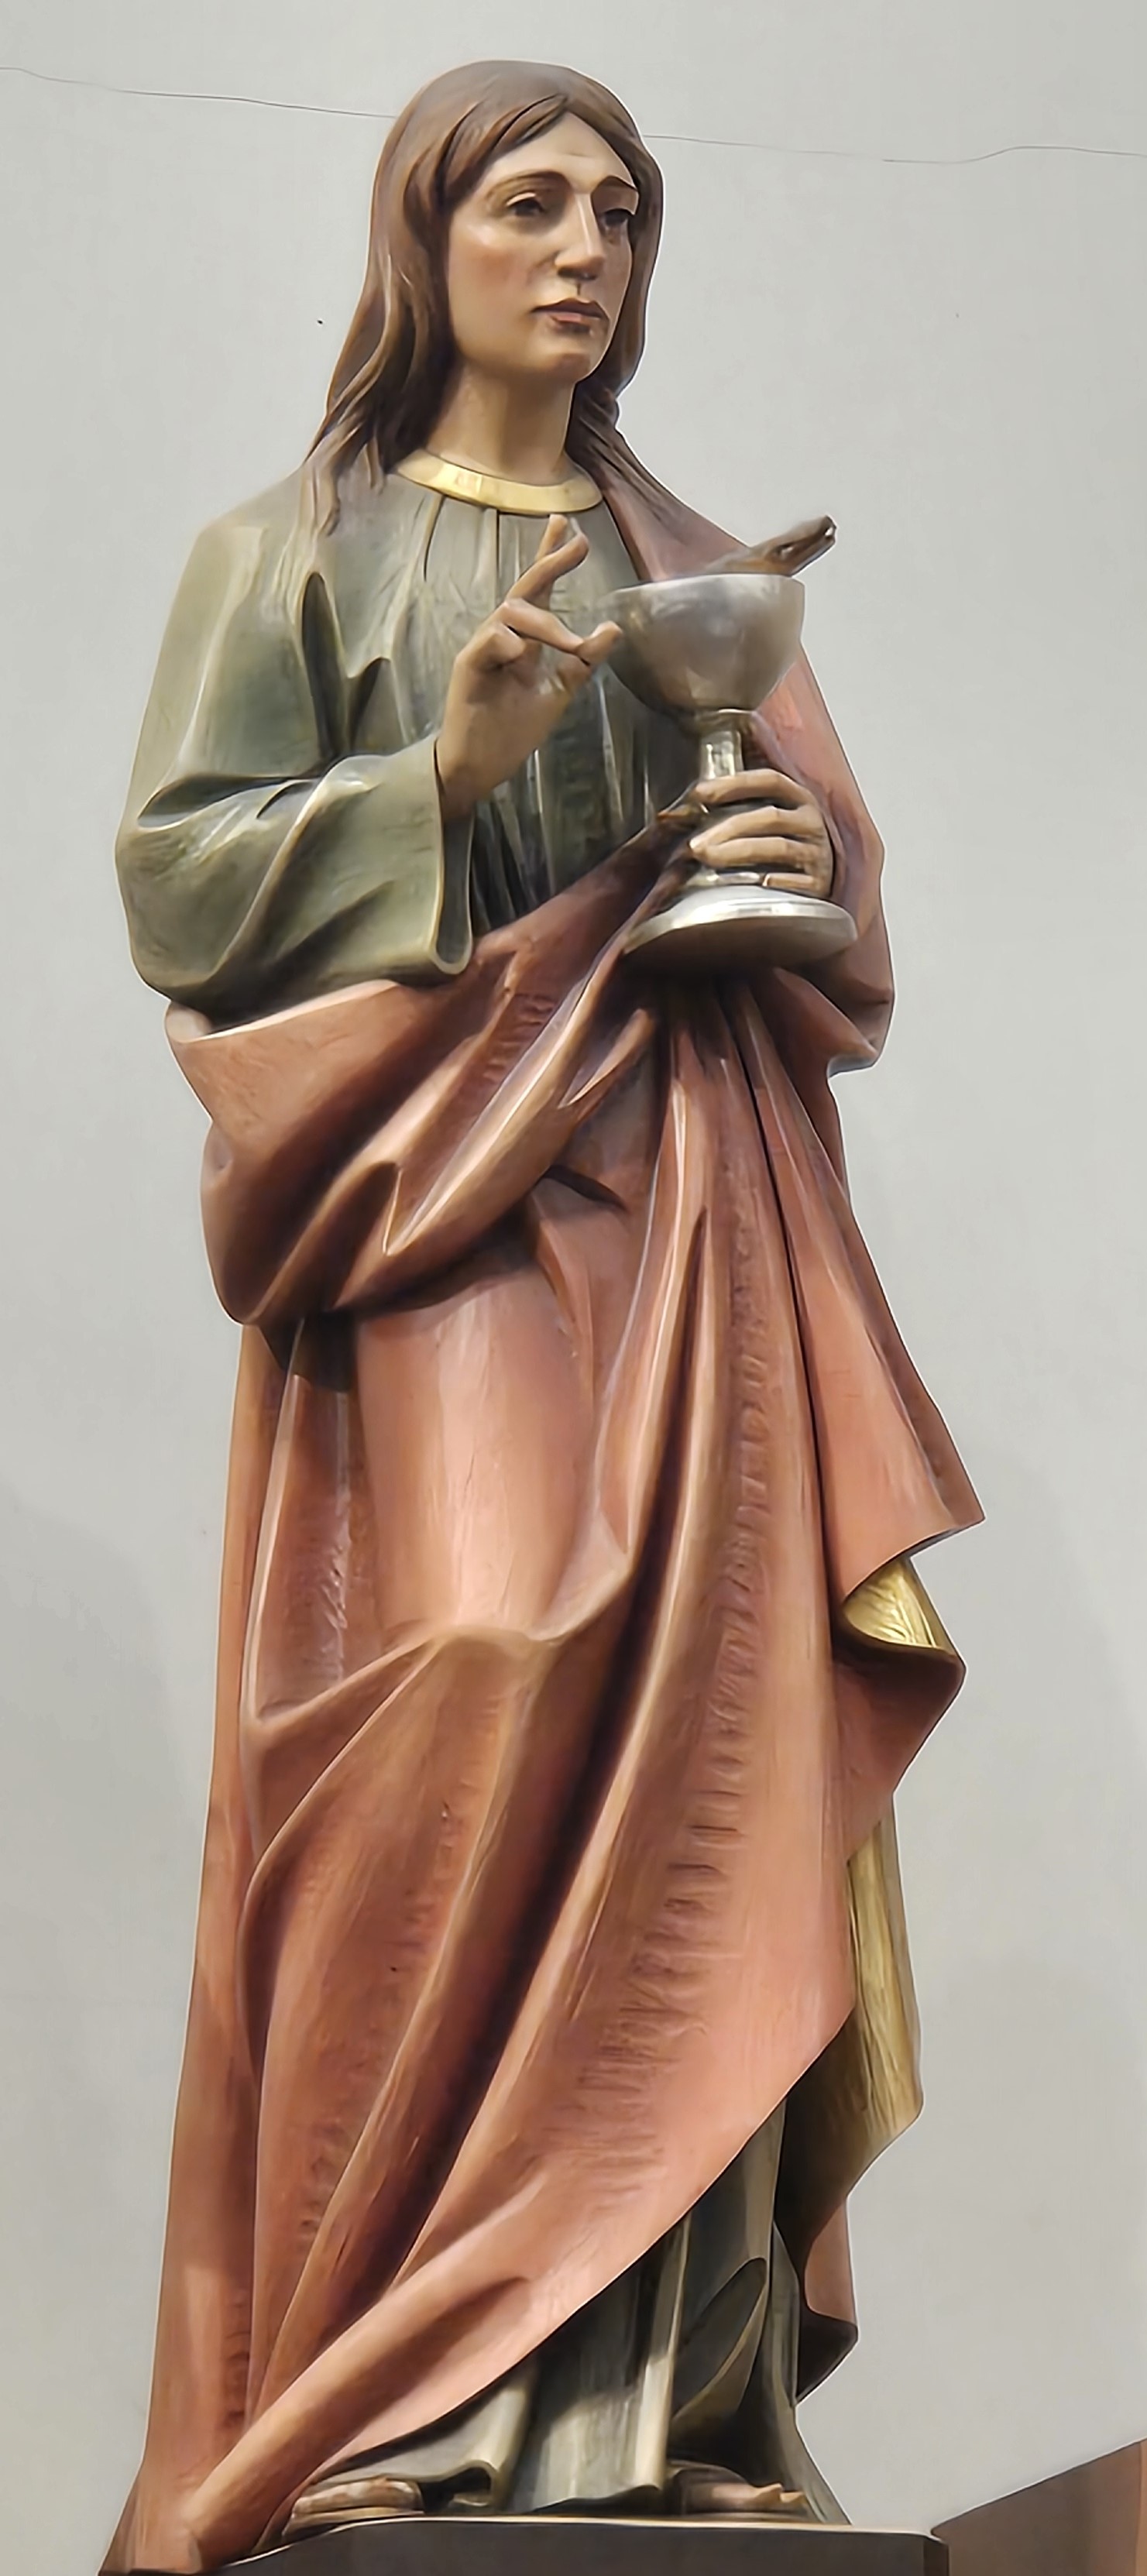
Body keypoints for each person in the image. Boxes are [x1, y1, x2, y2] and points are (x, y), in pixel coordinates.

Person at [104, 59, 980, 2574]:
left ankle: (656, 2398)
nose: (583, 247)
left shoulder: (689, 556)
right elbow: (181, 889)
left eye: (619, 210)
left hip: (691, 1202)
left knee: (711, 1730)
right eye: (528, 202)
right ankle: (405, 2364)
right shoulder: (289, 552)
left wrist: (794, 858)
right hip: (449, 1203)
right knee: (483, 1664)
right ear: (427, 237)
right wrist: (441, 779)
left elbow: (836, 916)